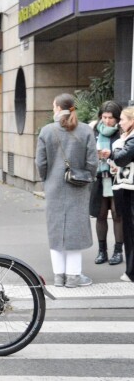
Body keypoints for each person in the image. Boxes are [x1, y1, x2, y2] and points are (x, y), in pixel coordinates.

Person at [36, 93, 97, 288]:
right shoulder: (86, 130)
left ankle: (59, 277)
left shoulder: (46, 131)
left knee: (56, 231)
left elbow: (41, 163)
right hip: (78, 187)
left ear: (57, 108)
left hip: (54, 187)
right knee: (75, 230)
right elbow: (92, 162)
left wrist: (47, 179)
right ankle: (74, 276)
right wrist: (88, 177)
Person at [102, 106, 134, 283]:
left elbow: (122, 158)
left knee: (130, 230)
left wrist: (112, 154)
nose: (119, 122)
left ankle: (131, 272)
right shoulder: (126, 138)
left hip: (130, 190)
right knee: (128, 229)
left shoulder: (132, 139)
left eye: (122, 119)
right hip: (126, 187)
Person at [89, 101, 124, 266]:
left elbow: (126, 154)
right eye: (104, 117)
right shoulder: (93, 130)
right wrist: (95, 156)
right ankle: (102, 251)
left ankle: (118, 251)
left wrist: (110, 156)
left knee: (118, 215)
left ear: (117, 118)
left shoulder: (123, 131)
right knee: (100, 214)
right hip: (99, 177)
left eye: (110, 118)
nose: (107, 121)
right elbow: (86, 152)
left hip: (117, 178)